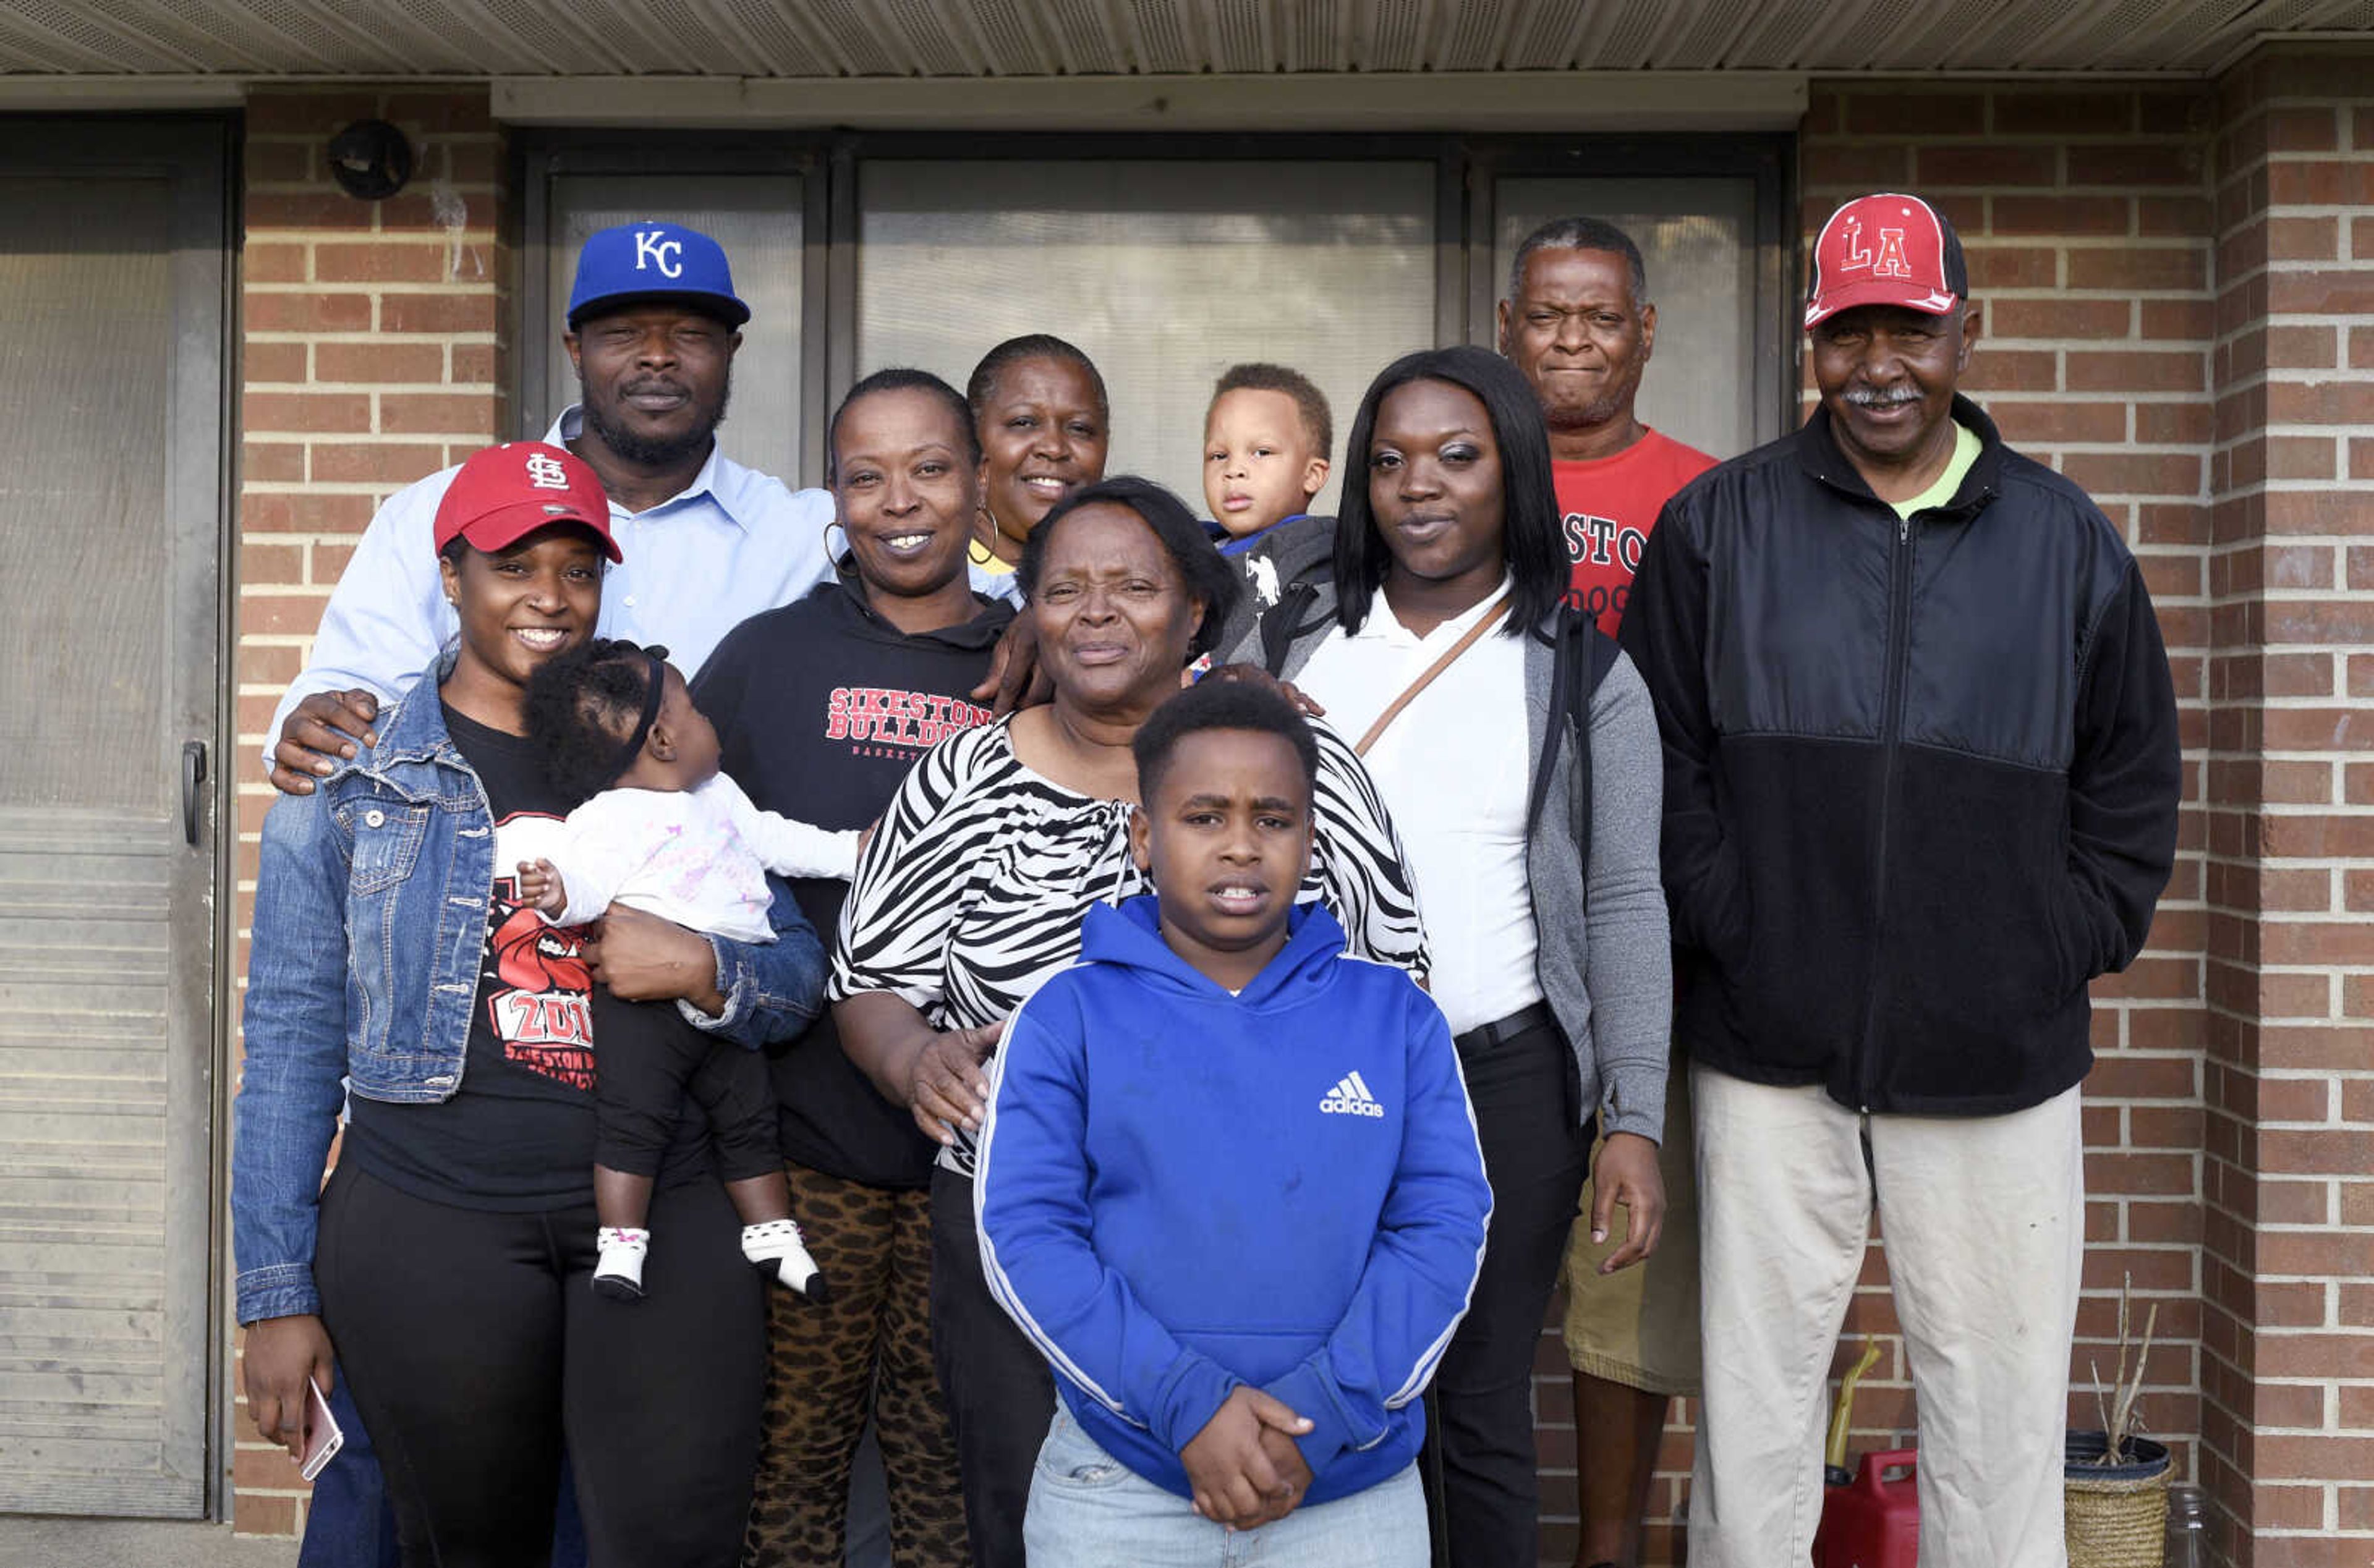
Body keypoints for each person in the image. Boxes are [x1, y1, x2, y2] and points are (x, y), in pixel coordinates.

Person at [1621, 193, 2182, 1568]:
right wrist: (1736, 926)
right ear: (1811, 343)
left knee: (1995, 1415)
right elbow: (1661, 764)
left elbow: (2132, 780)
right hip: (1768, 1045)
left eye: (1911, 330)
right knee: (1752, 1406)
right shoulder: (1717, 526)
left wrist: (2055, 940)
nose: (1880, 362)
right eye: (1849, 330)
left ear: (1963, 337)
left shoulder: (2067, 540)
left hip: (1999, 1049)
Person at [830, 475, 1429, 1568]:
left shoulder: (1305, 768)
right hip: (1026, 1233)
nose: (1096, 611)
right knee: (1031, 1515)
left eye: (1134, 585)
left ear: (1195, 610)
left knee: (1286, 1485)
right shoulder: (962, 776)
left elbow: (1397, 986)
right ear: (1031, 611)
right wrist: (914, 1056)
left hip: (1282, 1232)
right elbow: (867, 977)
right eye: (1065, 588)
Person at [234, 441, 812, 1567]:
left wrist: (703, 966)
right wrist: (272, 1296)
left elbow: (792, 978)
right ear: (450, 574)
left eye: (578, 569)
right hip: (432, 1222)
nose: (550, 597)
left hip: (661, 1217)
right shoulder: (352, 781)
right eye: (512, 564)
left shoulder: (655, 760)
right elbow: (291, 1046)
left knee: (665, 1541)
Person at [1225, 345, 1672, 1568]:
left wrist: (1632, 1115)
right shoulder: (1294, 640)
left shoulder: (1582, 675)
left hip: (1502, 1080)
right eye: (1390, 459)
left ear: (1513, 473)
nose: (1420, 483)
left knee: (1475, 1402)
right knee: (1321, 1374)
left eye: (1457, 456)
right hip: (1304, 1070)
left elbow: (1629, 898)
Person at [975, 679, 1492, 1567]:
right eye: (1204, 817)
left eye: (1274, 819)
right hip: (1120, 1485)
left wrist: (1320, 1415)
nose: (1242, 846)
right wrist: (1187, 1404)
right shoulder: (1066, 1016)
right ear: (1144, 837)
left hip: (1347, 1488)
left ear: (1312, 839)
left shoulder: (1394, 1016)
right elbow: (1025, 1233)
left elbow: (1444, 1227)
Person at [697, 368, 1010, 1568]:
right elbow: (674, 828)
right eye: (866, 474)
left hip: (973, 1156)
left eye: (930, 466)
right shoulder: (768, 657)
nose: (899, 499)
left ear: (979, 482)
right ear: (836, 496)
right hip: (804, 1141)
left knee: (948, 1470)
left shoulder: (1028, 657)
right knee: (793, 1459)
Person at [1497, 216, 1717, 1568]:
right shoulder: (1464, 480)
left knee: (1623, 1266)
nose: (1572, 341)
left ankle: (1613, 1547)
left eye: (1600, 317)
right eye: (1548, 315)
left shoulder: (1704, 496)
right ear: (1510, 324)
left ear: (1643, 332)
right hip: (1488, 924)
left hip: (1642, 915)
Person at [514, 640, 849, 1302]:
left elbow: (778, 840)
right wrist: (555, 893)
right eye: (695, 709)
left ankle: (773, 1233)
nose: (708, 720)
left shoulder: (719, 794)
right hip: (643, 1006)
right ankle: (621, 1242)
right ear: (664, 739)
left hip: (727, 987)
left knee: (750, 1115)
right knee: (634, 1118)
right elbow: (582, 887)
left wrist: (851, 854)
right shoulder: (604, 817)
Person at [1199, 362, 1338, 656]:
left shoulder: (1317, 558)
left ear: (1312, 474)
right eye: (1218, 455)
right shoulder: (1186, 550)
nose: (1233, 469)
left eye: (1262, 452)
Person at [964, 334, 1110, 576]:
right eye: (1023, 423)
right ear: (970, 441)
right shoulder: (934, 585)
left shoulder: (1143, 575)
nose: (1054, 448)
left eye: (1079, 429)